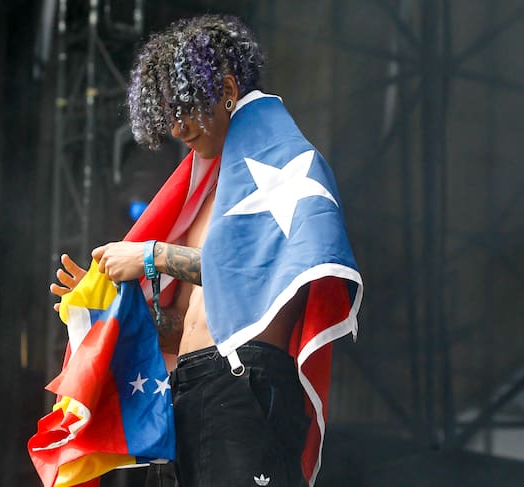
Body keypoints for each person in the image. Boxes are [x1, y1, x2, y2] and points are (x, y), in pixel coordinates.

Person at [51, 14, 362, 487]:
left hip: (244, 384)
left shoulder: (290, 168)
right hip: (184, 391)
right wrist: (110, 309)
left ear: (228, 90)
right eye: (168, 116)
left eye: (185, 109)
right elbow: (180, 329)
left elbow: (269, 274)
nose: (177, 129)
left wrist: (152, 256)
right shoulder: (199, 197)